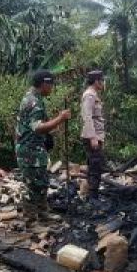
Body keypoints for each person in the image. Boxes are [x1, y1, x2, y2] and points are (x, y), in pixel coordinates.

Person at [15, 69, 71, 222]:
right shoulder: (33, 101)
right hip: (30, 151)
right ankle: (31, 219)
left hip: (35, 149)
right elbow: (37, 127)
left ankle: (43, 213)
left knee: (42, 181)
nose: (52, 88)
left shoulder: (34, 98)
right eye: (51, 84)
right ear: (44, 83)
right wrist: (60, 118)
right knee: (33, 185)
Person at [80, 69, 106, 200]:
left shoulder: (94, 94)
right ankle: (93, 198)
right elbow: (87, 116)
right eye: (101, 80)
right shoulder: (89, 95)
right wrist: (93, 137)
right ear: (96, 81)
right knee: (95, 166)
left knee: (94, 165)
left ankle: (90, 195)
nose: (103, 83)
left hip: (96, 135)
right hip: (93, 136)